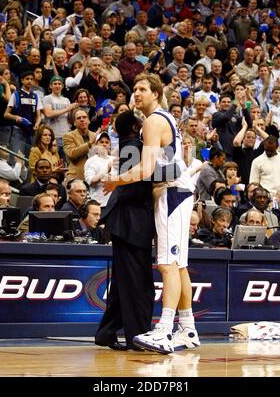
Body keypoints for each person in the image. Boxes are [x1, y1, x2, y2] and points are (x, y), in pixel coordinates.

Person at [103, 73, 199, 354]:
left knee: (168, 264)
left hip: (172, 193)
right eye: (135, 89)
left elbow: (145, 170)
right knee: (178, 265)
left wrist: (114, 181)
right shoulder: (161, 119)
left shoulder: (154, 121)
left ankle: (164, 330)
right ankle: (188, 328)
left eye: (143, 89)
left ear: (156, 94)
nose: (137, 93)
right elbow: (164, 166)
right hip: (178, 190)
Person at [96, 110, 155, 351]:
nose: (145, 123)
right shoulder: (134, 147)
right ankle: (138, 336)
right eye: (140, 120)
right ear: (133, 127)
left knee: (124, 284)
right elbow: (133, 190)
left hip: (127, 223)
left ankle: (106, 332)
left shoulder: (134, 145)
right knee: (138, 285)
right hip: (131, 224)